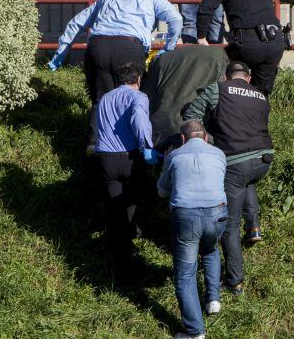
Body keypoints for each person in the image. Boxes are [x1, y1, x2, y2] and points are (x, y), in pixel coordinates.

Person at [47, 0, 182, 154]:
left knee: (100, 99)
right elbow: (176, 18)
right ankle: (133, 147)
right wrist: (169, 46)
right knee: (132, 97)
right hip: (129, 47)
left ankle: (94, 145)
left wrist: (60, 54)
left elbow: (76, 22)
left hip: (98, 46)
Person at [183, 61, 273, 295]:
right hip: (264, 159)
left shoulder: (218, 89)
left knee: (229, 226)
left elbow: (192, 116)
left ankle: (235, 281)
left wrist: (211, 140)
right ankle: (254, 228)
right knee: (248, 181)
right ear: (249, 77)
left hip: (236, 162)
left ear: (226, 76)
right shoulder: (261, 96)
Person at [157, 120, 228, 339]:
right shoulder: (219, 154)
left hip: (186, 216)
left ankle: (195, 331)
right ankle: (213, 300)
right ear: (205, 137)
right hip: (218, 213)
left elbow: (162, 190)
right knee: (210, 249)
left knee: (185, 274)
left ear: (182, 138)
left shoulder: (174, 156)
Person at [94, 62, 162, 273]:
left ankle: (117, 254)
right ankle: (129, 248)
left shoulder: (105, 98)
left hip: (106, 158)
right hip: (130, 157)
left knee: (114, 206)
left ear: (118, 79)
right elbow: (139, 119)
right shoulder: (138, 97)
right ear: (139, 80)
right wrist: (147, 146)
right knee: (131, 201)